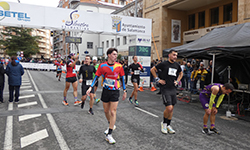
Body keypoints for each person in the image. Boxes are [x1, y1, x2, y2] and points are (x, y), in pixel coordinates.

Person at [86, 48, 127, 144]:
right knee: (106, 111)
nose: (115, 56)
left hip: (115, 90)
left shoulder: (119, 66)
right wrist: (90, 87)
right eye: (114, 54)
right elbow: (96, 77)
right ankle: (111, 124)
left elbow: (122, 79)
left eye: (116, 54)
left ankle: (109, 134)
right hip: (106, 90)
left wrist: (124, 90)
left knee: (113, 111)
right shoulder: (102, 66)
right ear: (108, 55)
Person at [151, 50, 183, 134]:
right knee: (168, 107)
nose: (175, 56)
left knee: (171, 108)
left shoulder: (177, 65)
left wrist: (177, 81)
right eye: (173, 55)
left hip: (173, 88)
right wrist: (158, 79)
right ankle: (164, 124)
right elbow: (152, 70)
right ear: (169, 55)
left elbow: (181, 73)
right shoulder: (163, 64)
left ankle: (168, 125)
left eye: (176, 55)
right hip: (165, 88)